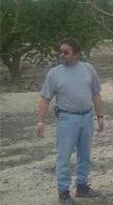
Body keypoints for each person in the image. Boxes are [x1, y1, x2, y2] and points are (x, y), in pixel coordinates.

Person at [35, 38, 104, 204]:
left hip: (87, 118)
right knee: (64, 158)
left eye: (66, 52)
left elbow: (96, 94)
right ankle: (64, 193)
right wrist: (40, 121)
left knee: (85, 155)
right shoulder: (54, 73)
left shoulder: (88, 69)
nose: (62, 55)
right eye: (61, 51)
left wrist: (100, 117)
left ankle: (82, 187)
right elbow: (45, 98)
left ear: (77, 54)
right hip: (67, 120)